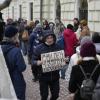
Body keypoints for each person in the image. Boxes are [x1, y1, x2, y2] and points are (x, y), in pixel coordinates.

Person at [32, 31, 62, 100]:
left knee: (55, 95)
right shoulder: (39, 48)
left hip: (55, 76)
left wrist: (65, 59)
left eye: (51, 37)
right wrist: (37, 62)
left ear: (54, 38)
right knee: (44, 96)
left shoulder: (58, 47)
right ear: (45, 38)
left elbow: (62, 57)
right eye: (48, 38)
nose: (50, 40)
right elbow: (32, 60)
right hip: (43, 76)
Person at [1, 25, 26, 100]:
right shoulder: (16, 51)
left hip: (4, 81)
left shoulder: (0, 48)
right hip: (16, 81)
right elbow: (22, 68)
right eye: (17, 35)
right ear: (14, 37)